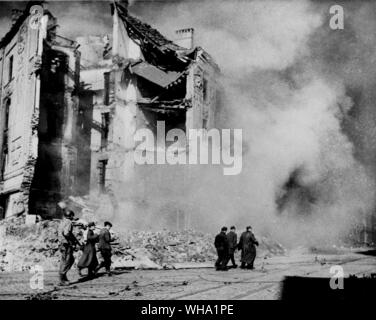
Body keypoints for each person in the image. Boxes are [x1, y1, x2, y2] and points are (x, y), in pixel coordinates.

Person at [58, 210, 80, 286]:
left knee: (65, 260)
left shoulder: (62, 221)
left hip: (62, 244)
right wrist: (72, 241)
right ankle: (62, 279)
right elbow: (66, 233)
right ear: (70, 216)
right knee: (68, 261)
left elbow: (65, 233)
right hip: (66, 244)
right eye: (72, 216)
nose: (73, 217)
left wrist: (75, 240)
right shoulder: (69, 222)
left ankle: (63, 277)